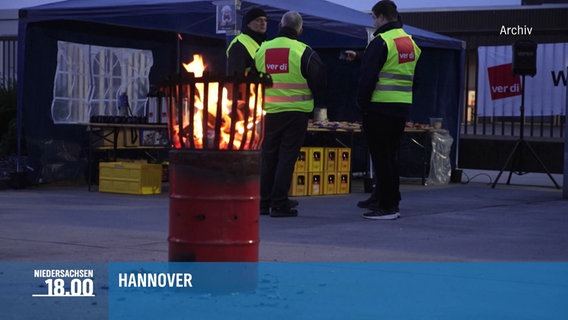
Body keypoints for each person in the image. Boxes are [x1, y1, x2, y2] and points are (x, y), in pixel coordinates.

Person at [254, 11, 327, 217]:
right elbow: (320, 82)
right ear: (300, 30)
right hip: (296, 113)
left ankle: (263, 202)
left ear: (279, 27)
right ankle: (279, 203)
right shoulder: (305, 51)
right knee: (287, 157)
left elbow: (252, 77)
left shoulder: (262, 49)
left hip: (269, 112)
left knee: (268, 156)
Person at [356, 0, 421, 220]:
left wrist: (362, 106)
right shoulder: (410, 43)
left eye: (374, 18)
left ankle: (388, 206)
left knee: (382, 157)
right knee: (391, 156)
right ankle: (387, 197)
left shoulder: (381, 41)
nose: (374, 22)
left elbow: (367, 78)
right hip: (401, 107)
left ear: (382, 17)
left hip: (379, 107)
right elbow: (415, 78)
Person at [226, 7, 268, 76]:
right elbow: (235, 76)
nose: (263, 23)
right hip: (249, 85)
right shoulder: (238, 44)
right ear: (248, 24)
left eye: (265, 20)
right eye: (258, 20)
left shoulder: (265, 43)